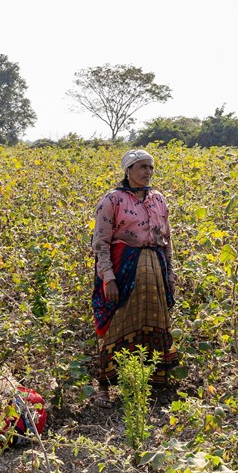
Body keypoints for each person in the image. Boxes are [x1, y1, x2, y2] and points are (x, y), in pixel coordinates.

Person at [90, 149, 177, 407]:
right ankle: (104, 387)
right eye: (142, 167)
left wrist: (170, 274)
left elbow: (167, 241)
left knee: (154, 322)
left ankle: (149, 384)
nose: (148, 172)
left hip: (155, 269)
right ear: (128, 170)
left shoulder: (159, 199)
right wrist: (108, 278)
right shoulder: (112, 200)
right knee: (117, 325)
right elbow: (101, 243)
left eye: (150, 167)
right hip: (124, 270)